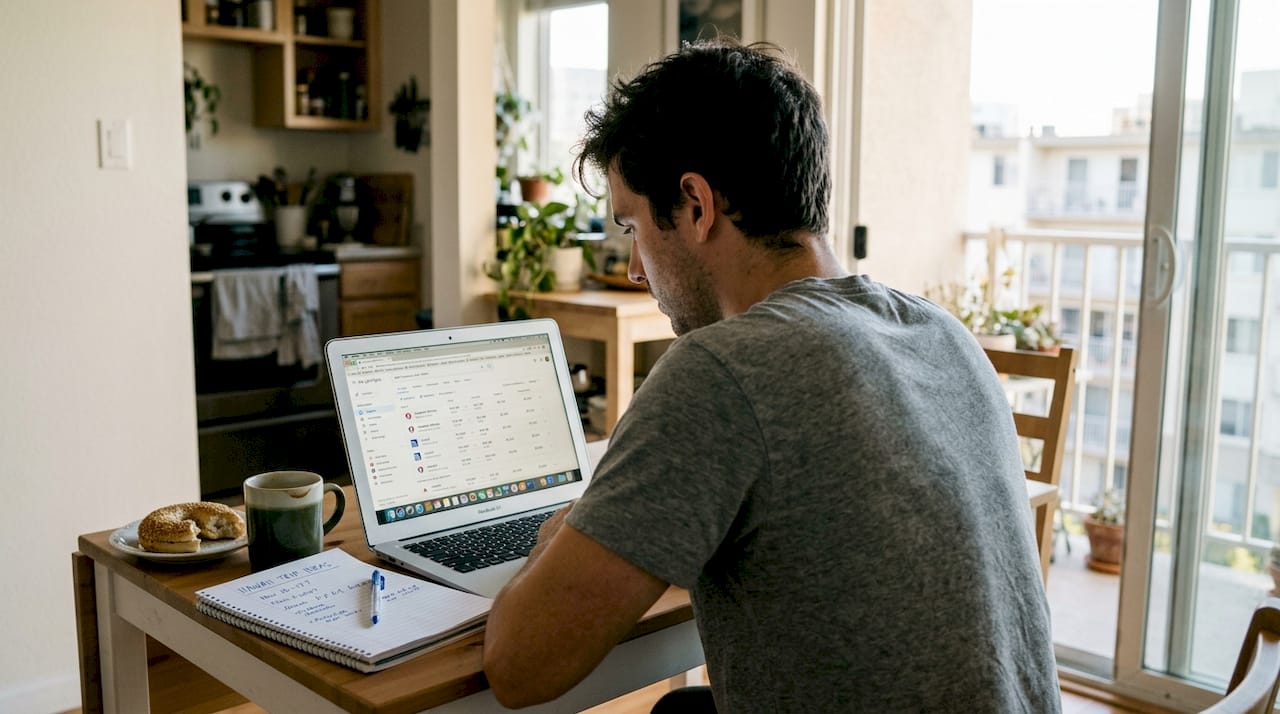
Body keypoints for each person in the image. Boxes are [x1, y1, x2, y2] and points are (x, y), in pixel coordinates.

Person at [482, 38, 1061, 712]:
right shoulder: (945, 335)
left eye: (632, 228)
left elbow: (519, 666)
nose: (635, 269)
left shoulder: (721, 372)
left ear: (696, 205)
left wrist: (562, 531)